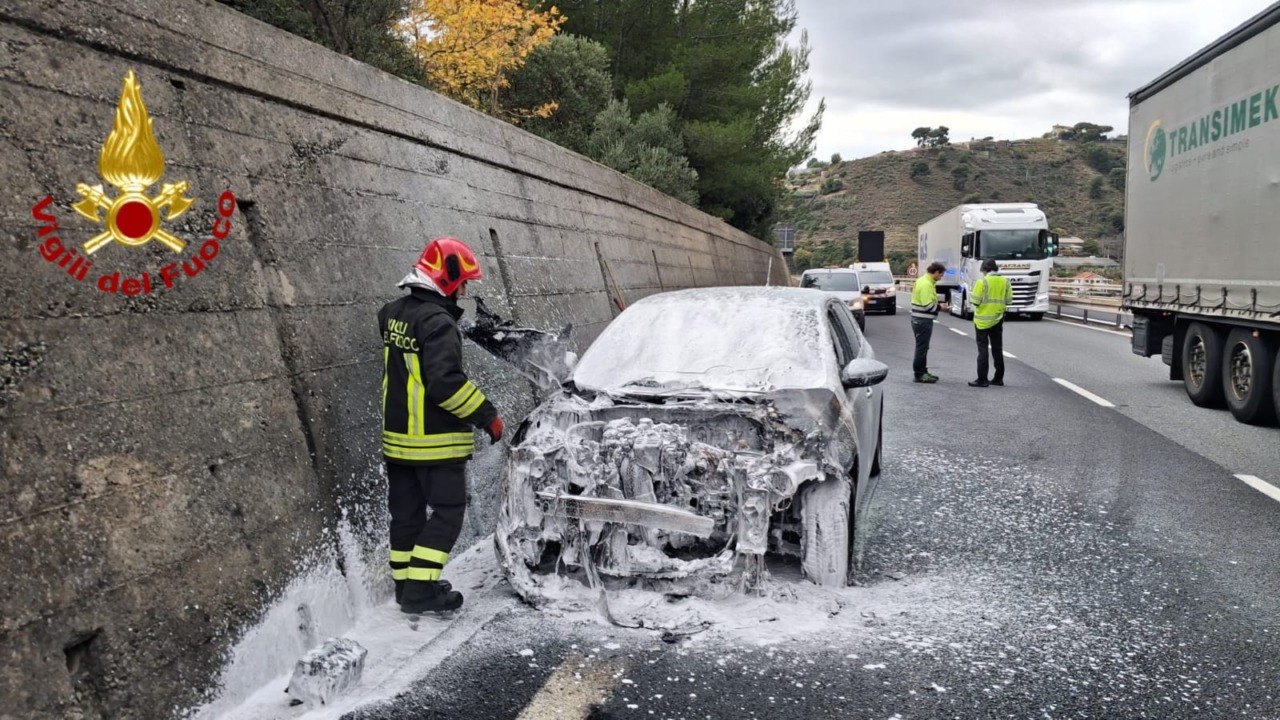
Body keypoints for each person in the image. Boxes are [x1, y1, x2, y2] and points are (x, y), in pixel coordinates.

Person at [378, 237, 504, 614]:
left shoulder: (392, 313)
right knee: (448, 513)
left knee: (407, 515)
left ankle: (405, 587)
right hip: (433, 442)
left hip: (397, 442)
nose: (464, 290)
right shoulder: (438, 323)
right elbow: (445, 384)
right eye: (462, 282)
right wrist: (487, 415)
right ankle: (421, 590)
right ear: (447, 278)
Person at [969, 258, 1013, 387]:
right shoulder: (1006, 282)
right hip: (998, 319)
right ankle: (998, 378)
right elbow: (1009, 300)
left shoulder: (982, 282)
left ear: (984, 269)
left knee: (983, 350)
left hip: (982, 321)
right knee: (997, 349)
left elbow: (975, 301)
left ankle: (982, 379)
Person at [910, 262, 948, 383]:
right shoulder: (926, 284)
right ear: (936, 272)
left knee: (923, 347)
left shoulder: (922, 280)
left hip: (919, 320)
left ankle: (923, 371)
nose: (941, 277)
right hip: (922, 320)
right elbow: (928, 306)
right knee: (922, 348)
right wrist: (941, 307)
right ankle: (920, 374)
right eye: (941, 275)